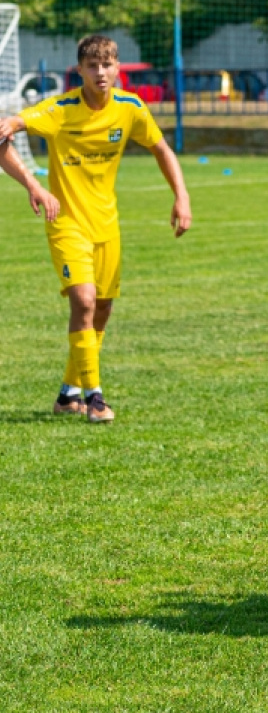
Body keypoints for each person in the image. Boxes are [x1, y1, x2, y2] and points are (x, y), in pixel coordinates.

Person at [0, 34, 192, 423]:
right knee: (84, 302)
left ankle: (68, 392)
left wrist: (181, 196)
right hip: (66, 222)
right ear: (81, 71)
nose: (100, 72)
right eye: (92, 65)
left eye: (107, 64)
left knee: (102, 308)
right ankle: (96, 398)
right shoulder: (60, 109)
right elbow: (5, 133)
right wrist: (34, 185)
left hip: (107, 224)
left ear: (117, 68)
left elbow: (161, 148)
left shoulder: (130, 108)